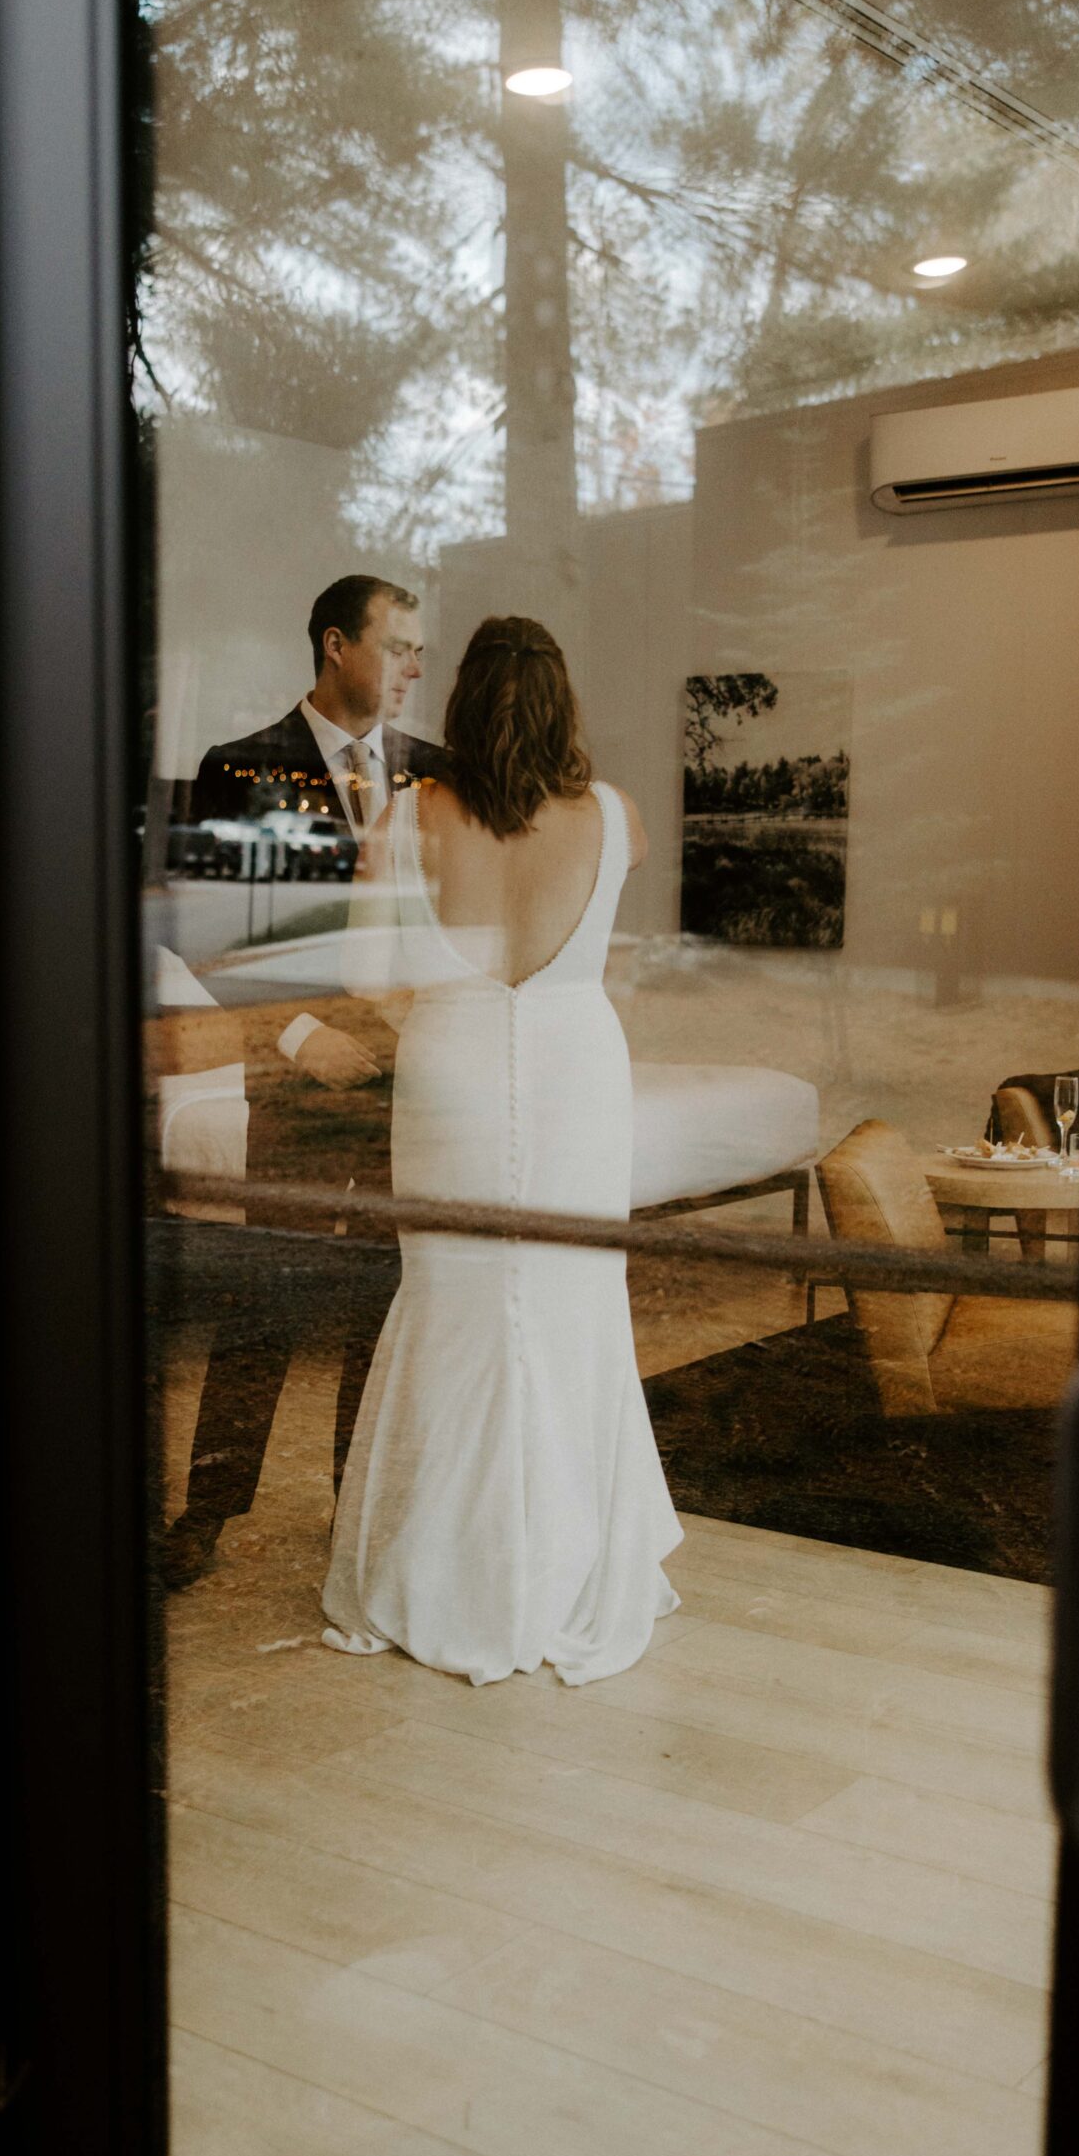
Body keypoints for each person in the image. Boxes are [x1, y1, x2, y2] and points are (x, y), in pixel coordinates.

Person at [321, 615, 682, 1685]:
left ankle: (447, 1569)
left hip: (450, 1071)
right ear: (563, 702)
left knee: (454, 1305)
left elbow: (359, 973)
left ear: (464, 703)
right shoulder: (617, 817)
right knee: (572, 1303)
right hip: (579, 1071)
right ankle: (570, 1563)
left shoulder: (407, 815)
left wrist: (443, 1014)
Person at [158, 575, 440, 1589]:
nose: (414, 668)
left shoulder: (436, 774)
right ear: (335, 644)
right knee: (263, 1305)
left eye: (421, 651)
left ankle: (355, 1517)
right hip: (299, 1083)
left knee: (387, 1301)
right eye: (399, 645)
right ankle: (206, 1515)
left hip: (413, 1083)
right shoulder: (241, 768)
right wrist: (299, 1032)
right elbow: (205, 929)